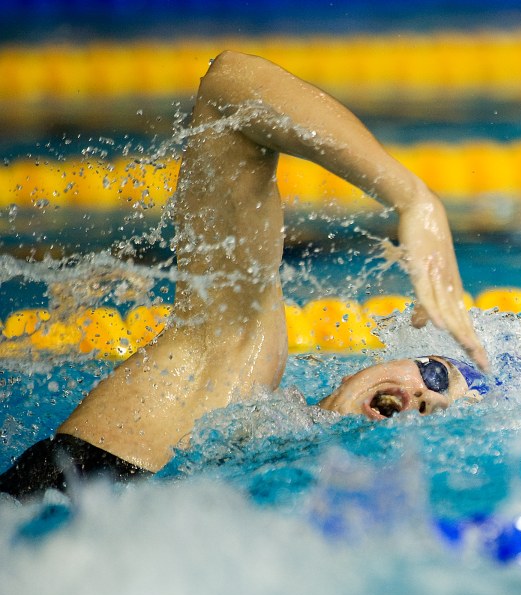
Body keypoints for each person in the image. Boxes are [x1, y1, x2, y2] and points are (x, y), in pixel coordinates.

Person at [0, 51, 489, 501]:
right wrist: (414, 198)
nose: (426, 400)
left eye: (440, 414)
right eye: (434, 375)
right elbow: (229, 86)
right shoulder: (226, 377)